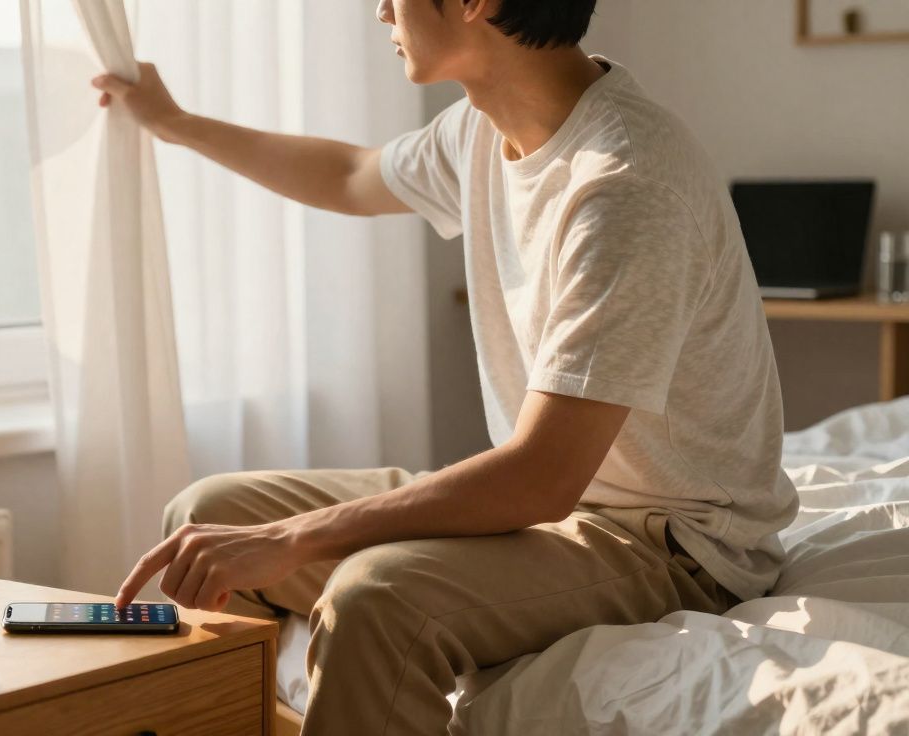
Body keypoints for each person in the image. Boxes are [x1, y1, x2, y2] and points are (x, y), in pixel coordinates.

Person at [95, 0, 799, 733]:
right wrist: (173, 122)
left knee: (373, 595)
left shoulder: (625, 182)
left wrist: (293, 540)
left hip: (668, 545)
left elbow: (543, 476)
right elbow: (347, 174)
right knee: (204, 519)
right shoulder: (480, 130)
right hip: (555, 512)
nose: (378, 11)